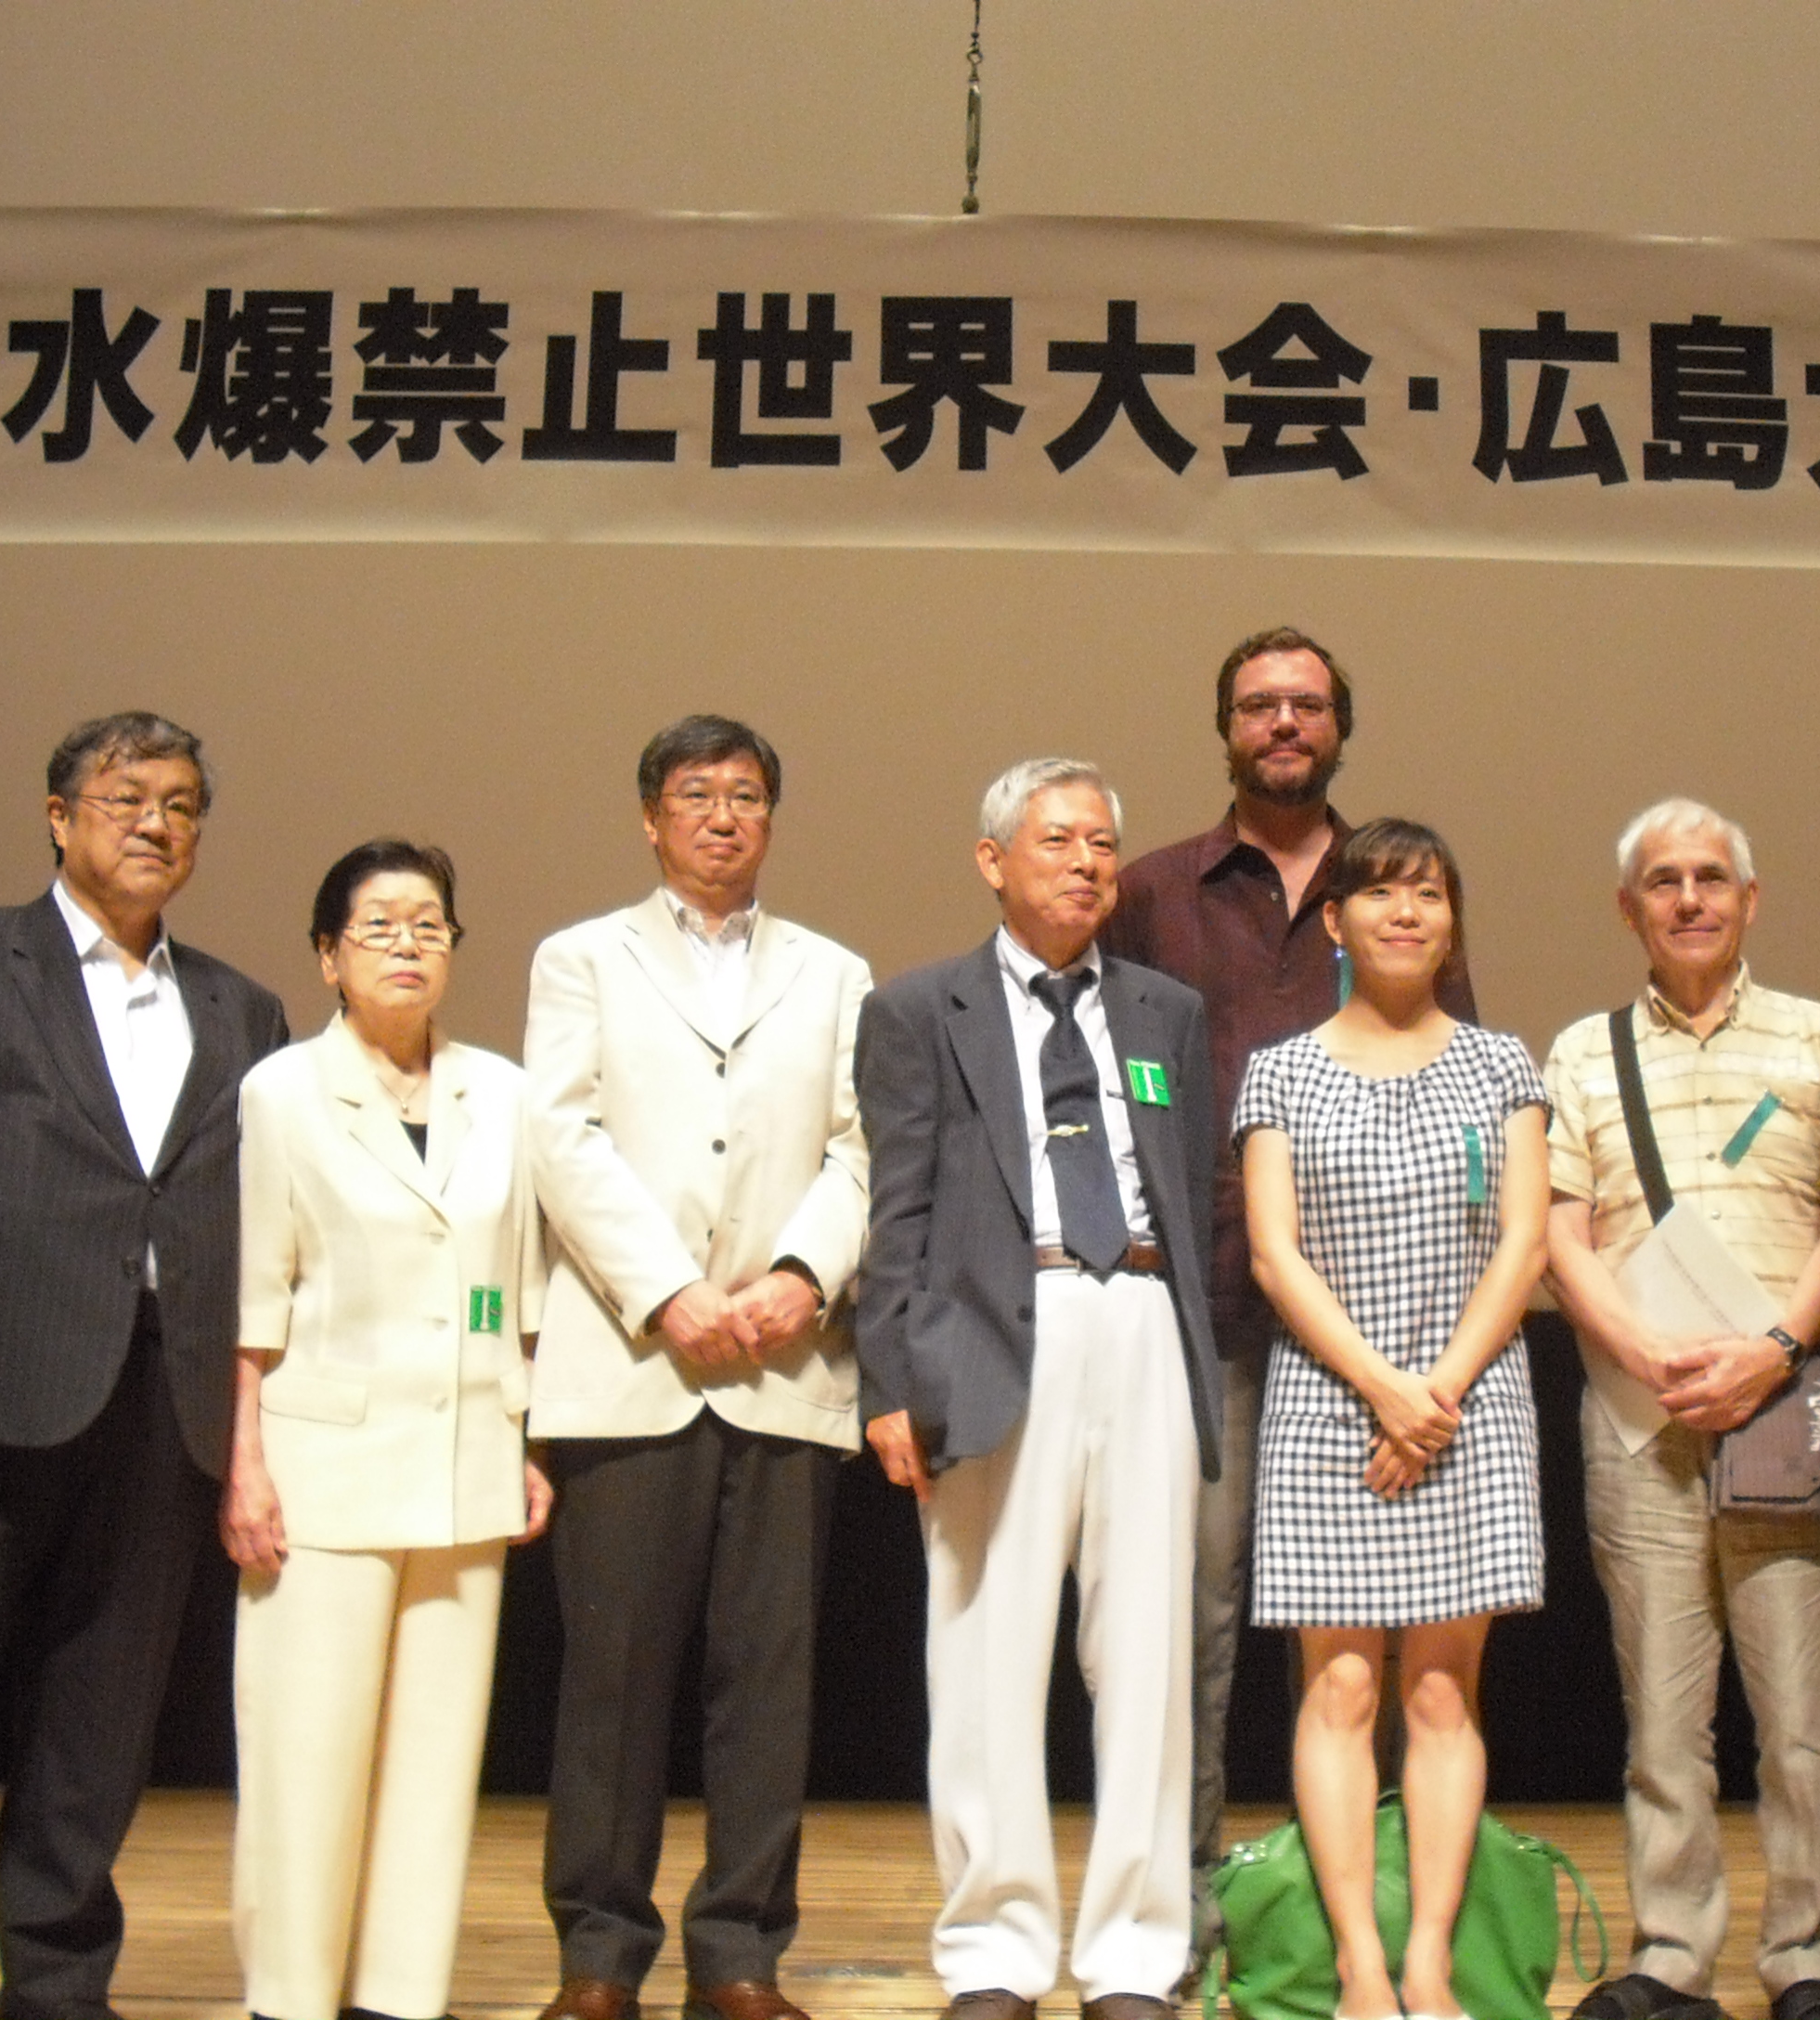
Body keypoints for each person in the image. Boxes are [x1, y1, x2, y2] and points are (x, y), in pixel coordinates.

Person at [0, 710, 291, 2020]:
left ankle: (59, 1990)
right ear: (59, 813)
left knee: (96, 1738)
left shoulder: (240, 1006)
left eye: (183, 803)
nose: (156, 823)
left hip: (159, 1407)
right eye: (128, 796)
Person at [1101, 624, 1480, 1963]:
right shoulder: (1152, 890)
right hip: (1204, 1307)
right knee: (1199, 1617)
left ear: (1339, 727)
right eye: (1257, 704)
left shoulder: (1400, 883)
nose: (1282, 723)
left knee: (1365, 1647)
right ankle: (1190, 1903)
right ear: (1225, 729)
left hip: (1390, 1334)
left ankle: (1354, 1920)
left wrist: (1428, 1361)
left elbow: (1468, 1087)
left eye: (1306, 704)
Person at [856, 757, 1223, 2020]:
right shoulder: (919, 1011)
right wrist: (891, 1377)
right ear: (991, 859)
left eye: (1103, 845)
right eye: (1058, 840)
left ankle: (1134, 1952)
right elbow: (894, 1209)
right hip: (993, 1327)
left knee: (1148, 1654)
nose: (1086, 863)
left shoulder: (1166, 1012)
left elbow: (1186, 1185)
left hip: (1142, 1322)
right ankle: (995, 1952)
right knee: (984, 1653)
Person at [522, 716, 875, 2020]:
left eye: (744, 796)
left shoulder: (836, 972)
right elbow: (561, 1135)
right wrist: (670, 1294)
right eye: (694, 794)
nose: (721, 815)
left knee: (766, 1677)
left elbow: (863, 1147)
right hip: (632, 1362)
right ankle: (599, 1957)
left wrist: (795, 1277)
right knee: (613, 1675)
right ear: (651, 817)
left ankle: (739, 1954)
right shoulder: (580, 960)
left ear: (771, 819)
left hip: (786, 1367)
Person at [1542, 799, 1820, 2020]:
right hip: (1640, 1425)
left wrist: (1773, 1348)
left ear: (1750, 897)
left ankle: (1807, 1966)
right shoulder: (1578, 1052)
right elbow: (1561, 1234)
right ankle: (1672, 1958)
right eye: (1663, 881)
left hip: (1789, 1407)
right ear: (1629, 907)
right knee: (1663, 1725)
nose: (1689, 897)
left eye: (1711, 877)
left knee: (1800, 1724)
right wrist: (1646, 1349)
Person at [226, 838, 556, 2020]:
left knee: (434, 1762)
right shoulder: (280, 1091)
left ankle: (397, 1998)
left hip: (467, 1461)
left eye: (430, 925)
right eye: (378, 926)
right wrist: (246, 1462)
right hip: (322, 1467)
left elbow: (518, 1294)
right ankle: (292, 1996)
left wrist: (527, 1439)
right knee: (307, 1756)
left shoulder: (504, 1093)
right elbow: (255, 1300)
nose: (409, 945)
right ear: (327, 955)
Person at [1234, 818, 1550, 2020]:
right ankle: (1362, 1969)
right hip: (1330, 1404)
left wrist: (1438, 1396)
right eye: (1380, 893)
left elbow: (1523, 1242)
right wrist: (1385, 1390)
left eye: (1428, 893)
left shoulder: (1501, 1062)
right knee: (1343, 1690)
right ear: (1336, 922)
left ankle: (1429, 1962)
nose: (1405, 913)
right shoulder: (1281, 1067)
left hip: (1471, 1402)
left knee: (1440, 1692)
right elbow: (1273, 1254)